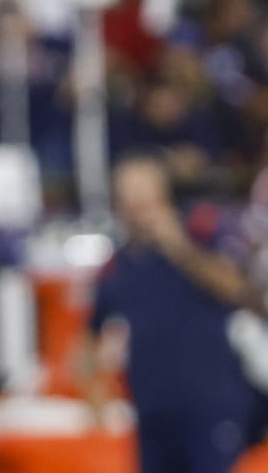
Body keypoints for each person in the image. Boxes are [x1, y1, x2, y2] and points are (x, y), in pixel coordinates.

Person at [86, 152, 255, 473]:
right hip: (151, 411)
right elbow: (89, 333)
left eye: (142, 189)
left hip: (209, 406)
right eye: (126, 191)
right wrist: (93, 392)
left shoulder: (202, 232)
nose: (135, 201)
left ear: (163, 192)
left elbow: (234, 288)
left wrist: (176, 244)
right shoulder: (117, 264)